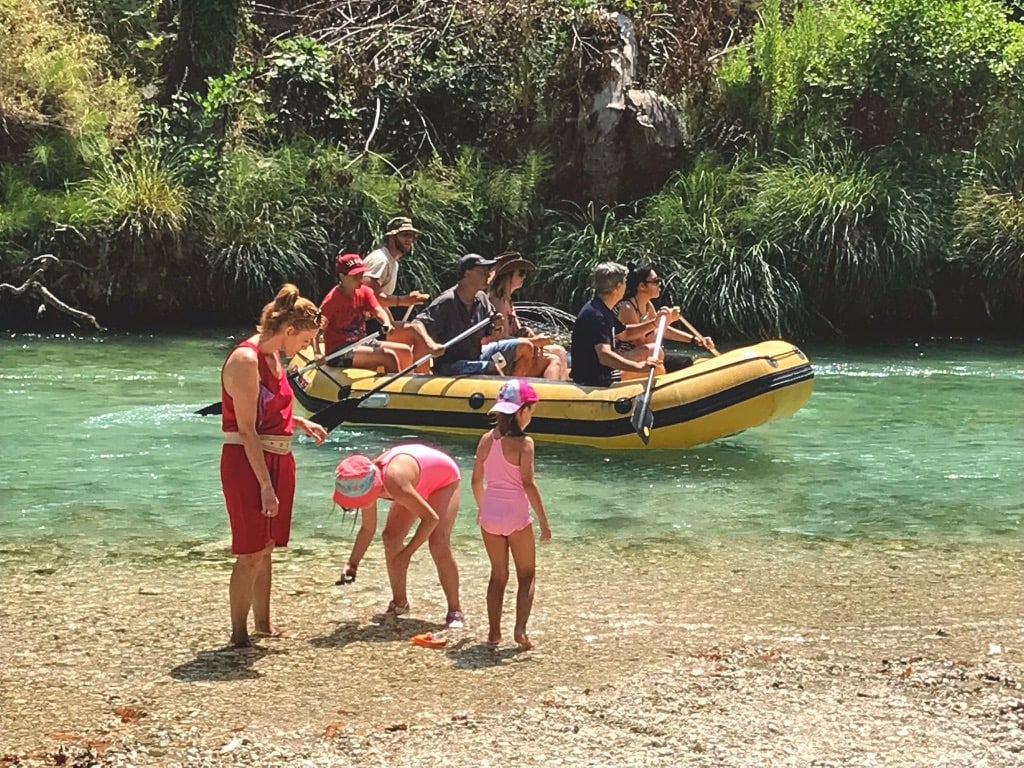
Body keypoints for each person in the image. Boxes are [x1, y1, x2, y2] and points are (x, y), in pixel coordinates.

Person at [220, 283, 328, 649]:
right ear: (289, 330)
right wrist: (265, 485)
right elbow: (247, 429)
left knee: (266, 547)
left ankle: (264, 625)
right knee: (250, 550)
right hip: (249, 462)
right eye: (306, 340)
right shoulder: (246, 360)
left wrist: (298, 422)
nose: (307, 348)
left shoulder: (275, 356)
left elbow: (270, 408)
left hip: (279, 456)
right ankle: (239, 634)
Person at [333, 443, 465, 628]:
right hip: (414, 482)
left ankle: (455, 610)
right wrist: (352, 563)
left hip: (443, 479)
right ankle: (400, 603)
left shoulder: (393, 481)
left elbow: (430, 519)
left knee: (438, 543)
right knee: (391, 537)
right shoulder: (363, 481)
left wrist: (406, 554)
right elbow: (367, 528)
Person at [471, 379, 551, 649]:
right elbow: (528, 484)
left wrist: (483, 509)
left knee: (497, 576)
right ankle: (520, 631)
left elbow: (475, 481)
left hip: (490, 515)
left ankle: (493, 633)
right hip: (516, 515)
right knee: (526, 575)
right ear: (522, 411)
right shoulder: (525, 443)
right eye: (531, 411)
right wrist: (543, 522)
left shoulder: (485, 440)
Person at [411, 254, 534, 376]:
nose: (488, 274)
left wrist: (496, 327)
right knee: (492, 367)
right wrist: (431, 345)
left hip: (477, 355)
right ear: (467, 274)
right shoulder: (447, 301)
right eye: (483, 271)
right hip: (451, 364)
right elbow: (417, 323)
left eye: (488, 270)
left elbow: (491, 330)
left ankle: (516, 389)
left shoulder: (482, 298)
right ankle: (504, 392)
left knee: (525, 346)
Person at [569, 261, 674, 387]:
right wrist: (639, 367)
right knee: (658, 370)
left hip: (601, 370)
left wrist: (654, 323)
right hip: (596, 378)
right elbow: (605, 356)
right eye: (625, 282)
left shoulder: (601, 307)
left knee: (652, 354)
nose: (627, 286)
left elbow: (625, 333)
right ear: (618, 286)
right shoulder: (596, 315)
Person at [613, 262, 715, 379]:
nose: (660, 284)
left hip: (646, 355)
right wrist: (667, 320)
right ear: (642, 286)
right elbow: (643, 343)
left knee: (685, 362)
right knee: (659, 359)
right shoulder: (627, 308)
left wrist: (695, 340)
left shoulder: (647, 304)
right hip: (627, 361)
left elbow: (662, 330)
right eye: (656, 281)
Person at [363, 216, 438, 372]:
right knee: (414, 332)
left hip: (375, 323)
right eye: (405, 235)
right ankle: (416, 382)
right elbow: (371, 296)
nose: (410, 240)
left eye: (412, 236)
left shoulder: (391, 262)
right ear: (391, 237)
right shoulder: (381, 261)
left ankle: (421, 379)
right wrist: (405, 300)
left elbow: (379, 301)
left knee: (417, 329)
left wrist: (390, 320)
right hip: (363, 326)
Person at [318, 252, 413, 373]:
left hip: (361, 341)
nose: (359, 278)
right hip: (339, 351)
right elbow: (315, 327)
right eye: (355, 276)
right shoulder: (332, 300)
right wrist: (317, 353)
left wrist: (387, 323)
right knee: (389, 357)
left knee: (405, 351)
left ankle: (407, 387)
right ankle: (394, 390)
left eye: (361, 274)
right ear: (342, 276)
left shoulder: (365, 291)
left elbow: (378, 310)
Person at [485, 253, 569, 380]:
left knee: (560, 351)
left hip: (516, 350)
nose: (524, 277)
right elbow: (501, 339)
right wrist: (534, 342)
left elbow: (516, 332)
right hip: (499, 356)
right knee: (554, 360)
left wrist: (527, 332)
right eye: (521, 273)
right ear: (508, 276)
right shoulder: (496, 301)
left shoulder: (506, 299)